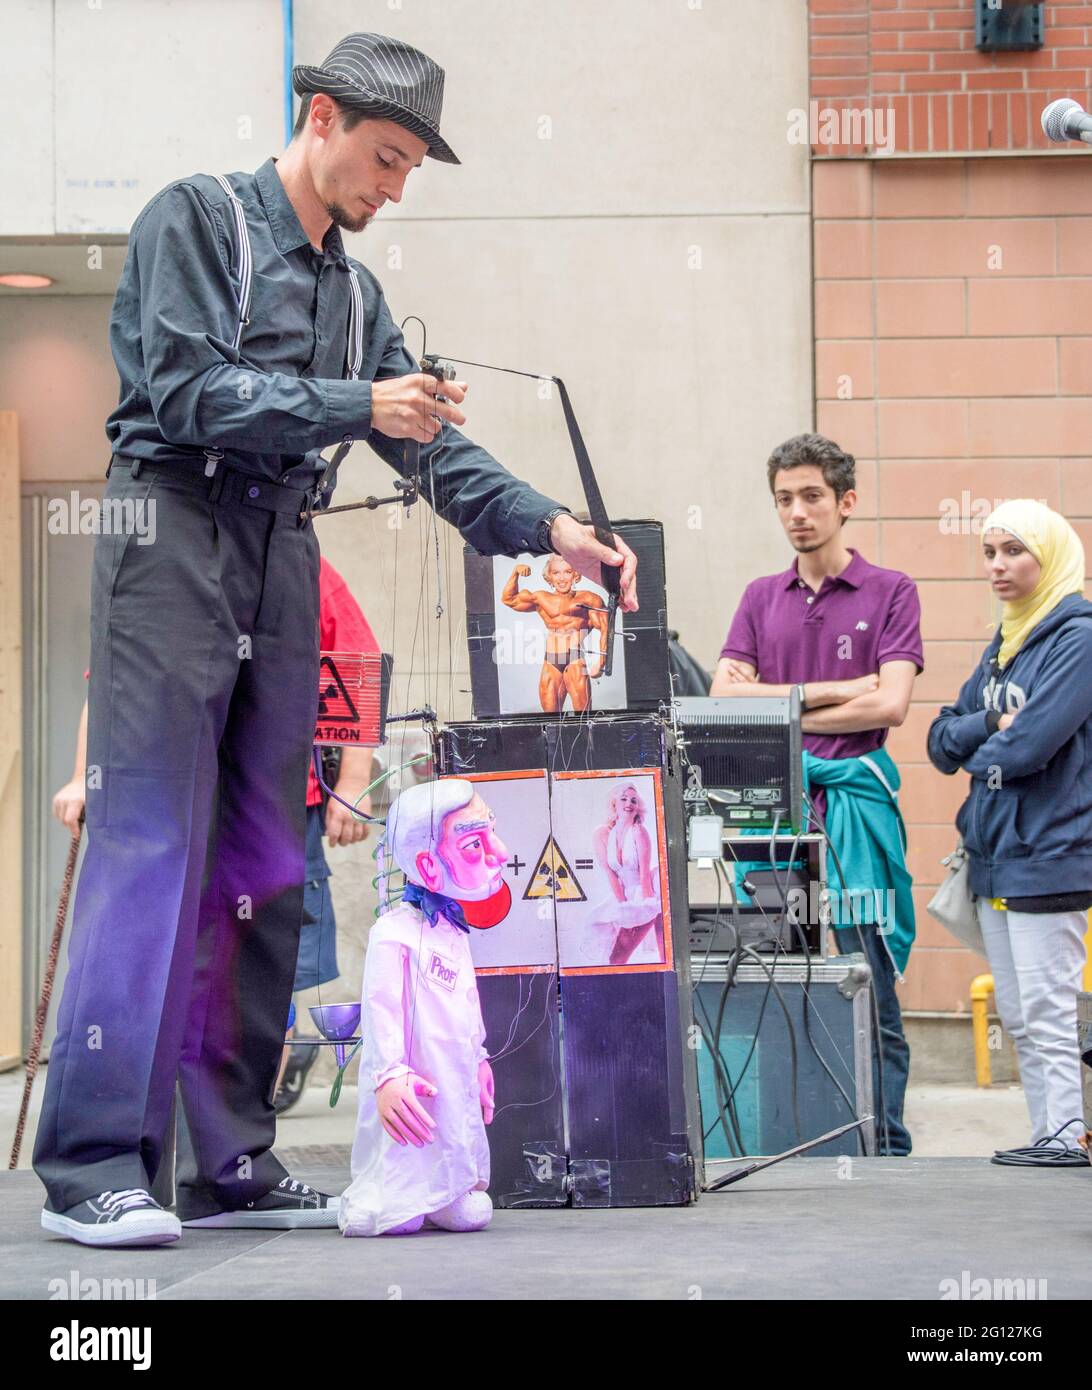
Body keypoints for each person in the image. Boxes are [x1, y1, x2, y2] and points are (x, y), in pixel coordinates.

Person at [34, 30, 637, 1249]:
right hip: (169, 527)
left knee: (264, 860)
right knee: (150, 841)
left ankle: (228, 1158)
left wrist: (553, 528)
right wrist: (357, 402)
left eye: (412, 167)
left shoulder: (355, 297)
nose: (396, 186)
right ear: (320, 116)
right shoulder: (196, 220)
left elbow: (432, 452)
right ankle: (94, 1163)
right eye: (386, 155)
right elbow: (184, 390)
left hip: (280, 549)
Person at [50, 555, 380, 1116]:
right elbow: (109, 685)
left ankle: (246, 1112)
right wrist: (85, 776)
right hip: (176, 799)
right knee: (179, 952)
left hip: (276, 800)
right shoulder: (164, 566)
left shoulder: (304, 566)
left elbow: (358, 662)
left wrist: (352, 781)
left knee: (266, 957)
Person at [710, 433, 923, 1156]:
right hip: (775, 819)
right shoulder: (759, 597)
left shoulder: (892, 591)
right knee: (774, 978)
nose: (796, 513)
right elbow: (721, 699)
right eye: (783, 500)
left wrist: (780, 707)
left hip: (856, 814)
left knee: (868, 982)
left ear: (845, 503)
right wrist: (838, 689)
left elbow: (889, 707)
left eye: (810, 497)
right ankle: (790, 1139)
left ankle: (886, 1145)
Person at [928, 500, 1092, 1166]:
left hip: (1051, 852)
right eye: (989, 552)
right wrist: (983, 730)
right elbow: (941, 740)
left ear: (1049, 556)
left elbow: (1027, 750)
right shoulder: (1006, 642)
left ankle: (1067, 1135)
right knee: (1020, 1013)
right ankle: (1052, 1133)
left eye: (1013, 551)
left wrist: (989, 736)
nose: (997, 565)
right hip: (994, 853)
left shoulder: (1078, 639)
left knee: (1049, 1007)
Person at [339, 779, 507, 1236]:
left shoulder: (453, 932)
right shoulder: (392, 933)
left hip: (451, 1071)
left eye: (492, 833)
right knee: (408, 1147)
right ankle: (391, 1194)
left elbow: (469, 1003)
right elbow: (381, 1010)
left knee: (453, 1131)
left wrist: (478, 1057)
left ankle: (449, 1190)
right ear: (428, 865)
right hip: (411, 1077)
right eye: (474, 843)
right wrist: (389, 1073)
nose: (500, 852)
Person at [500, 556, 609, 712]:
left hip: (575, 659)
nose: (562, 578)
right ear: (549, 577)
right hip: (551, 660)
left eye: (567, 572)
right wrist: (515, 573)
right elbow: (509, 599)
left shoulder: (589, 599)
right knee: (550, 719)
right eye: (556, 573)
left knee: (583, 719)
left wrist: (601, 662)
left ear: (575, 575)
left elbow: (606, 629)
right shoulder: (541, 598)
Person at [586, 784, 665, 966]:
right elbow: (610, 873)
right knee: (614, 958)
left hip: (644, 894)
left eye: (633, 800)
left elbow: (644, 873)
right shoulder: (606, 834)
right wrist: (622, 906)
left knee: (622, 958)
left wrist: (645, 905)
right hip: (622, 896)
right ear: (615, 804)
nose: (629, 803)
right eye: (624, 799)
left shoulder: (639, 831)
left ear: (638, 807)